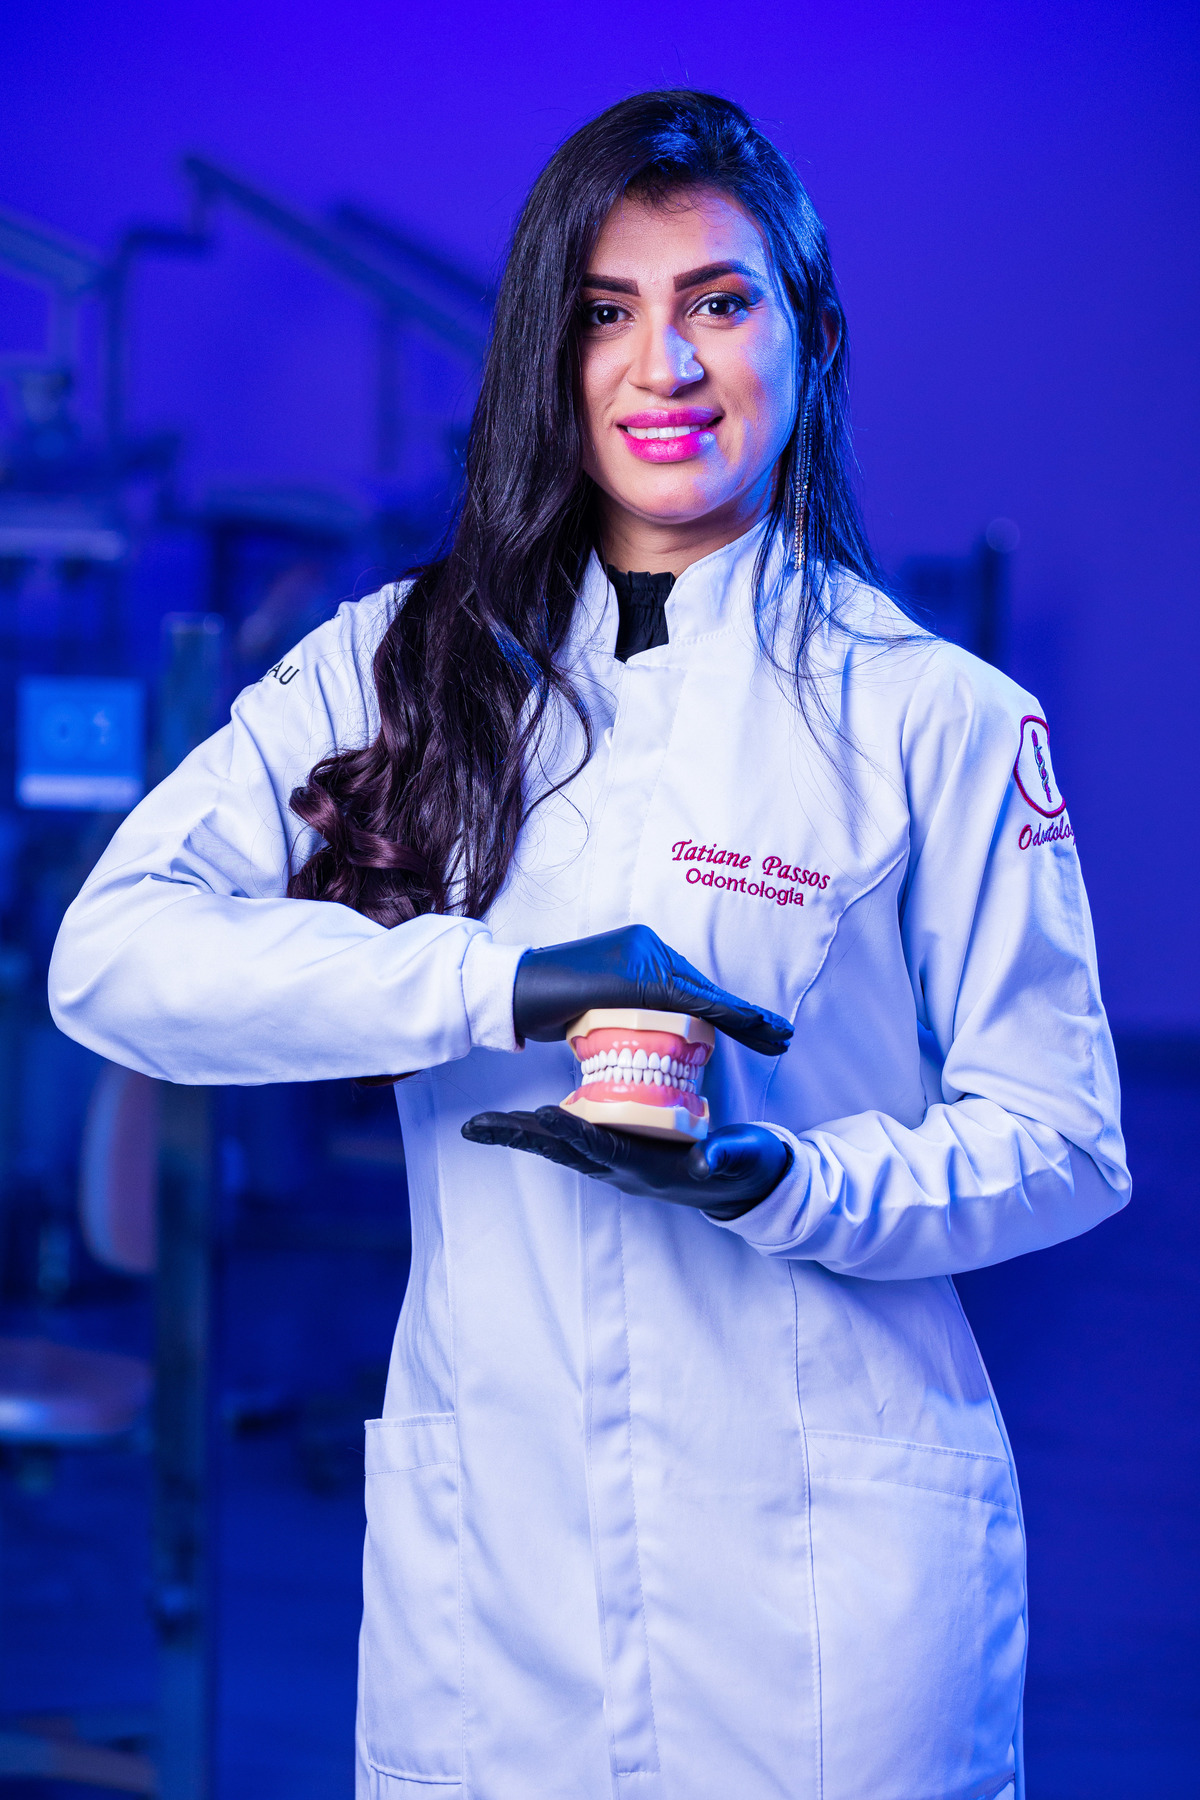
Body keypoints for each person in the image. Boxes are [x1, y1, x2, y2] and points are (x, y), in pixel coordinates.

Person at [49, 91, 1128, 1800]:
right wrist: (503, 982)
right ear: (546, 356)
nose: (662, 365)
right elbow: (110, 961)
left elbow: (1064, 1140)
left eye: (719, 301)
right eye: (605, 311)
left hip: (824, 1570)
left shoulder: (936, 718)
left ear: (812, 335)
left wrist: (788, 1182)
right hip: (499, 1574)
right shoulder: (396, 669)